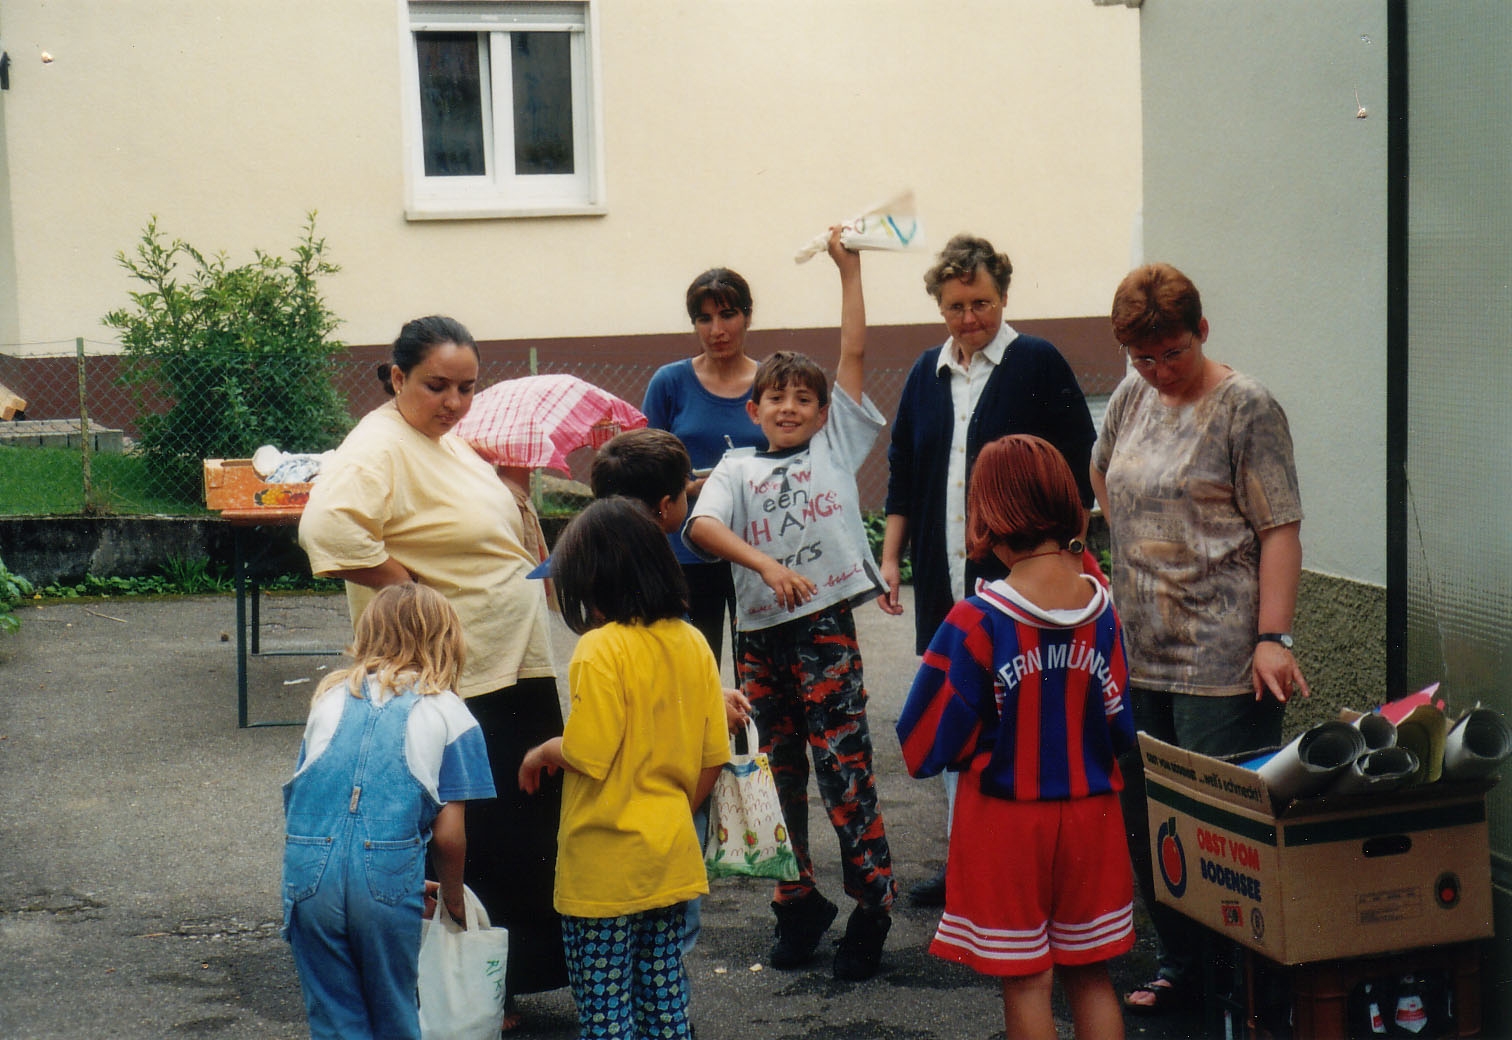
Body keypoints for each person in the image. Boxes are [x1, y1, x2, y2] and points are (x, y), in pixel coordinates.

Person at [297, 315, 566, 1029]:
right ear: (395, 377)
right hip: (460, 676)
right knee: (479, 834)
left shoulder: (443, 438)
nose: (453, 402)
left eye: (467, 388)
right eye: (436, 386)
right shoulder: (377, 445)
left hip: (508, 661)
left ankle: (504, 976)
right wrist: (409, 591)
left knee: (523, 831)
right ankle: (472, 989)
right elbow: (326, 530)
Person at [1090, 262, 1308, 1015]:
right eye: (1141, 358)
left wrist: (1272, 636)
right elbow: (1104, 478)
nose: (1157, 371)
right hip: (1138, 650)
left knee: (1226, 835)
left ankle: (1244, 981)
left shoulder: (1247, 406)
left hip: (1222, 660)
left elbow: (1280, 527)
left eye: (1171, 354)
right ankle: (1185, 967)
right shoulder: (1130, 397)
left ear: (1202, 332)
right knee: (1151, 821)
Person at [685, 229, 897, 981]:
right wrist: (765, 564)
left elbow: (855, 353)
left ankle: (871, 906)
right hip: (761, 637)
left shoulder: (835, 445)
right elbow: (701, 526)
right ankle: (797, 902)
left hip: (825, 632)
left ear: (821, 411)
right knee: (777, 774)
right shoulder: (736, 470)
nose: (790, 407)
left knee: (844, 768)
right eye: (776, 398)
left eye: (804, 399)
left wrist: (850, 272)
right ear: (753, 407)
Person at [879, 232, 1098, 907]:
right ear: (938, 307)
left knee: (1022, 713)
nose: (969, 318)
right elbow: (904, 472)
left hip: (1018, 581)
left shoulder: (1035, 361)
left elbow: (1076, 463)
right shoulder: (927, 371)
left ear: (1003, 296)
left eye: (981, 303)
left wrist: (1065, 551)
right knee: (959, 708)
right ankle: (965, 861)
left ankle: (1028, 863)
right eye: (955, 307)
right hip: (945, 579)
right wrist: (890, 556)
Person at [895, 435, 1135, 1040]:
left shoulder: (976, 620)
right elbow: (1120, 723)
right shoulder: (1102, 612)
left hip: (1005, 822)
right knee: (1090, 972)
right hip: (1092, 816)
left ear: (987, 515)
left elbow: (924, 744)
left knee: (1027, 980)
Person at [518, 497, 731, 1040]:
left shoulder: (599, 649)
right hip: (669, 855)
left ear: (591, 581)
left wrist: (544, 751)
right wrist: (673, 813)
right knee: (665, 1002)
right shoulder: (693, 642)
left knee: (606, 1010)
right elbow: (713, 756)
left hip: (603, 867)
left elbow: (589, 751)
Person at [282, 583, 496, 1040]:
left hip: (309, 868)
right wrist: (452, 897)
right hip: (385, 874)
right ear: (446, 639)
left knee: (335, 1016)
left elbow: (318, 797)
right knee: (394, 1011)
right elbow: (448, 835)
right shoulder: (450, 712)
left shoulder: (330, 699)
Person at [587, 427, 753, 1007]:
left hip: (610, 823)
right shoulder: (667, 593)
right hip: (668, 801)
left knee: (616, 954)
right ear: (665, 509)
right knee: (667, 941)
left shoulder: (597, 573)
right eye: (685, 493)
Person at [643, 266, 767, 666]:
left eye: (728, 314)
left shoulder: (771, 381)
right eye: (704, 318)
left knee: (762, 672)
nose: (717, 329)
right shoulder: (670, 382)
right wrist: (691, 486)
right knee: (696, 672)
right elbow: (645, 469)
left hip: (758, 549)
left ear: (748, 316)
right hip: (687, 554)